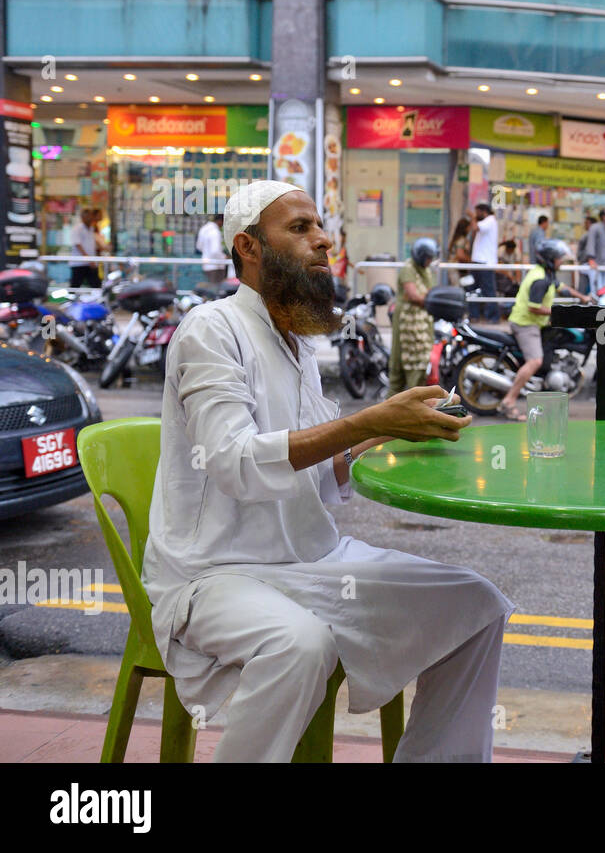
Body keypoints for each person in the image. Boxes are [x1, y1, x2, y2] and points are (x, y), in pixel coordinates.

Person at [141, 180, 512, 762]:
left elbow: (317, 470)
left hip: (312, 562)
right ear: (248, 247)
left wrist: (393, 427)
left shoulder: (299, 345)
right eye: (299, 228)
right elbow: (237, 462)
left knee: (477, 605)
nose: (322, 240)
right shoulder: (211, 329)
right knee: (299, 644)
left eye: (320, 226)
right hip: (214, 576)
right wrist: (363, 421)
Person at [499, 239, 593, 421]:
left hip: (536, 323)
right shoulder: (540, 279)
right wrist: (559, 312)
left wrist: (582, 297)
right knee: (535, 361)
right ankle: (508, 401)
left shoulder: (547, 274)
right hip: (526, 324)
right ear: (550, 259)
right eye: (559, 259)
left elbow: (561, 288)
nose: (561, 262)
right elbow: (533, 307)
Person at [387, 236, 440, 397]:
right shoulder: (408, 269)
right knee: (408, 364)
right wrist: (434, 301)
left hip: (422, 324)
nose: (430, 261)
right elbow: (413, 296)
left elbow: (431, 292)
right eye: (428, 258)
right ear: (421, 256)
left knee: (420, 364)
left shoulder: (426, 270)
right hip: (408, 324)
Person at [469, 203, 500, 322]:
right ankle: (474, 315)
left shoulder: (490, 220)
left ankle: (493, 316)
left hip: (485, 262)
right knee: (473, 289)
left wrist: (472, 217)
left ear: (483, 211)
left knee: (488, 290)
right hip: (478, 260)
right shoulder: (487, 222)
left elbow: (475, 228)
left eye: (477, 212)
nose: (476, 215)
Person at [69, 208, 106, 288]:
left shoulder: (91, 229)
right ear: (83, 218)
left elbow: (91, 245)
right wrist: (88, 259)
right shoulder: (77, 229)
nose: (90, 218)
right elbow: (78, 245)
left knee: (96, 285)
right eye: (87, 216)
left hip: (91, 263)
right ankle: (70, 300)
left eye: (91, 216)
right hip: (79, 263)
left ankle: (98, 300)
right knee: (75, 286)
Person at [196, 212, 227, 284]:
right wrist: (224, 257)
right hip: (216, 266)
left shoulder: (204, 229)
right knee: (216, 290)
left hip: (206, 265)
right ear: (220, 221)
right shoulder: (215, 232)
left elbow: (199, 246)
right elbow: (215, 251)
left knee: (209, 289)